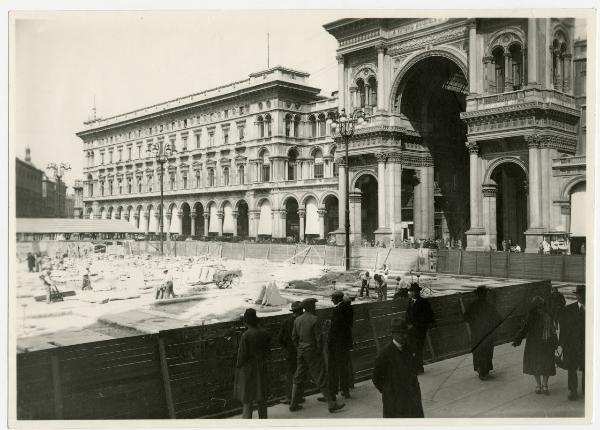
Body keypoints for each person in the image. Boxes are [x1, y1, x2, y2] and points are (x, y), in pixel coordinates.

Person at [290, 298, 344, 413]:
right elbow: (319, 340)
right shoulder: (315, 319)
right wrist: (319, 352)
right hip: (312, 351)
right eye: (313, 305)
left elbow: (294, 338)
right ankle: (331, 404)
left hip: (301, 351)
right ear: (309, 307)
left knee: (298, 376)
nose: (315, 307)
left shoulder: (297, 320)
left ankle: (293, 403)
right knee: (321, 377)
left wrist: (299, 348)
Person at [373, 318, 424, 418]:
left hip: (412, 397)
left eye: (406, 333)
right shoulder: (384, 354)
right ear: (394, 334)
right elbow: (376, 379)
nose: (405, 336)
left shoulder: (410, 349)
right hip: (395, 402)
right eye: (401, 334)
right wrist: (390, 391)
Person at [512, 296, 557, 395]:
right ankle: (538, 385)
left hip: (547, 343)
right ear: (535, 307)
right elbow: (524, 329)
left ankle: (545, 385)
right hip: (534, 344)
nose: (540, 308)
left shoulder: (548, 314)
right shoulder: (531, 316)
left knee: (547, 364)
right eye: (538, 306)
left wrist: (555, 342)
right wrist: (517, 340)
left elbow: (553, 329)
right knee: (535, 364)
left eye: (542, 305)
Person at [233, 308, 271, 419]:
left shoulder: (246, 335)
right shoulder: (265, 333)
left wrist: (238, 367)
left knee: (247, 400)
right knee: (262, 399)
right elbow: (268, 352)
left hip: (248, 371)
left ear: (246, 321)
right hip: (262, 368)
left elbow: (241, 357)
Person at [463, 286, 503, 380]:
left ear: (477, 295)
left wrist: (474, 323)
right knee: (487, 351)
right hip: (488, 333)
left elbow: (465, 318)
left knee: (478, 351)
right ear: (485, 295)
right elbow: (498, 319)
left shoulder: (472, 306)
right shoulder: (489, 306)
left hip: (476, 333)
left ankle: (481, 370)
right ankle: (485, 371)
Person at [560, 285, 585, 400]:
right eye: (579, 295)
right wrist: (562, 344)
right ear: (576, 295)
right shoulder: (569, 309)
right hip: (572, 346)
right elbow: (564, 328)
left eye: (583, 294)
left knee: (588, 368)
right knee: (571, 369)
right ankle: (572, 391)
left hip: (587, 346)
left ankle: (587, 390)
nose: (581, 297)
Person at [277, 301, 305, 405]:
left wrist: (286, 347)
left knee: (290, 374)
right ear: (302, 310)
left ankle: (289, 397)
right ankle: (299, 396)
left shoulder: (287, 322)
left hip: (290, 352)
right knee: (301, 373)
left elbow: (280, 339)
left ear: (293, 311)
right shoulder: (304, 320)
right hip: (302, 351)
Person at [328, 290, 354, 400]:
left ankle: (333, 393)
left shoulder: (337, 309)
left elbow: (336, 327)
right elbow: (347, 324)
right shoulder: (348, 308)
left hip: (337, 343)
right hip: (345, 342)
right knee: (344, 367)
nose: (331, 300)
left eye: (333, 298)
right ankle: (345, 391)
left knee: (334, 368)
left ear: (338, 299)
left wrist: (330, 324)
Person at [406, 283, 435, 373]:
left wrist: (414, 325)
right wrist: (407, 324)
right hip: (411, 331)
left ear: (415, 292)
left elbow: (427, 317)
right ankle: (416, 367)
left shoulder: (423, 302)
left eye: (410, 291)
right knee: (412, 349)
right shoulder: (410, 301)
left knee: (418, 349)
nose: (409, 293)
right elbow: (407, 315)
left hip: (419, 331)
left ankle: (418, 368)